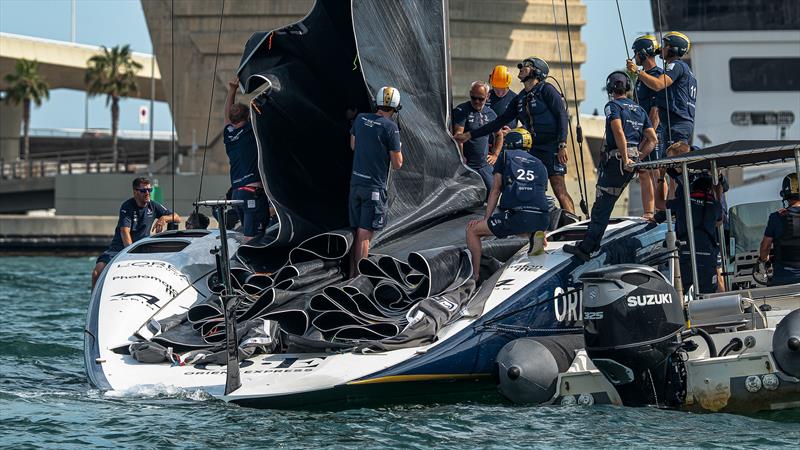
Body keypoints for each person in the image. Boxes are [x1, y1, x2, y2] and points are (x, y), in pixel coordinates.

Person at [454, 57, 575, 213]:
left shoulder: (547, 90)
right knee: (530, 188)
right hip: (532, 150)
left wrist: (562, 145)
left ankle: (573, 223)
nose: (521, 68)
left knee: (558, 187)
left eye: (527, 66)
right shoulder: (520, 98)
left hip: (551, 147)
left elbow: (562, 115)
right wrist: (469, 135)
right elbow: (498, 123)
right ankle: (534, 224)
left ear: (537, 72)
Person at [564, 71, 657, 262]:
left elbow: (618, 130)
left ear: (610, 89)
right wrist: (637, 157)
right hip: (629, 160)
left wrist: (625, 158)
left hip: (617, 162)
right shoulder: (639, 110)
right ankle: (591, 244)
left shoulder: (612, 106)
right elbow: (653, 139)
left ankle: (587, 249)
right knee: (606, 203)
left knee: (602, 205)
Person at [466, 128, 550, 281]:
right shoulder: (539, 163)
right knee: (528, 225)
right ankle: (538, 236)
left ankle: (474, 276)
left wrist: (486, 218)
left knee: (473, 230)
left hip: (518, 216)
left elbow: (495, 190)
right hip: (542, 217)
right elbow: (540, 193)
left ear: (509, 142)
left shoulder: (505, 156)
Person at [349, 86, 404, 277]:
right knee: (365, 236)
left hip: (355, 184)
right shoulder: (391, 128)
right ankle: (359, 280)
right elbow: (397, 164)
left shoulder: (361, 118)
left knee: (356, 233)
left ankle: (350, 276)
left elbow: (353, 145)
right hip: (374, 188)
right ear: (395, 107)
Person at [91, 177, 181, 287]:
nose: (147, 193)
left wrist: (163, 219)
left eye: (149, 190)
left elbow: (177, 217)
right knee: (97, 272)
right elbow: (125, 232)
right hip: (120, 248)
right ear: (135, 192)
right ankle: (94, 302)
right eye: (143, 191)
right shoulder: (127, 206)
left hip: (143, 248)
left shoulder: (153, 205)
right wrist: (129, 254)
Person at [224, 77, 275, 242]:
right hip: (252, 193)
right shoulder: (251, 130)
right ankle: (249, 267)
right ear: (247, 117)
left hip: (237, 192)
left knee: (248, 235)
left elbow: (228, 115)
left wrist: (232, 90)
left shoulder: (229, 133)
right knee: (252, 239)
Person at [627, 31, 697, 148]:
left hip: (676, 125)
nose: (661, 48)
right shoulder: (686, 70)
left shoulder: (676, 65)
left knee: (674, 161)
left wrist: (637, 71)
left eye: (665, 45)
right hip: (677, 125)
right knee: (671, 163)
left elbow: (658, 84)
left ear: (673, 49)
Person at [667, 173, 723, 294]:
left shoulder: (683, 202)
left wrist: (661, 179)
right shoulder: (715, 205)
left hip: (686, 254)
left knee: (680, 293)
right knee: (708, 296)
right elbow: (720, 221)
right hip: (707, 257)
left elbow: (660, 204)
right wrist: (717, 193)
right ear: (709, 189)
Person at [631, 34, 666, 220]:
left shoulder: (655, 76)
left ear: (643, 53)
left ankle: (660, 211)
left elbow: (656, 109)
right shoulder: (643, 77)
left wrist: (649, 135)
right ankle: (649, 213)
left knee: (655, 171)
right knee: (644, 171)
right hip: (644, 131)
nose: (634, 56)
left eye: (636, 52)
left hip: (653, 132)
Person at [452, 81, 503, 195]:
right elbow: (458, 136)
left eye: (481, 99)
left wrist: (495, 154)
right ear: (470, 94)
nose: (476, 101)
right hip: (467, 164)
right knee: (466, 195)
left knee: (493, 192)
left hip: (484, 165)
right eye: (473, 97)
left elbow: (499, 135)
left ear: (487, 96)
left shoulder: (491, 114)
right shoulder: (462, 110)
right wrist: (461, 158)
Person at [758, 173, 800, 286]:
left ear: (785, 193)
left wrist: (764, 260)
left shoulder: (776, 217)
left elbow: (765, 247)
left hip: (783, 280)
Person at [487, 65, 518, 129]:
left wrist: (512, 132)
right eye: (497, 89)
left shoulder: (516, 99)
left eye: (503, 89)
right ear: (492, 85)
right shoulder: (484, 98)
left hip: (507, 138)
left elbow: (528, 125)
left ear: (508, 85)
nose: (500, 93)